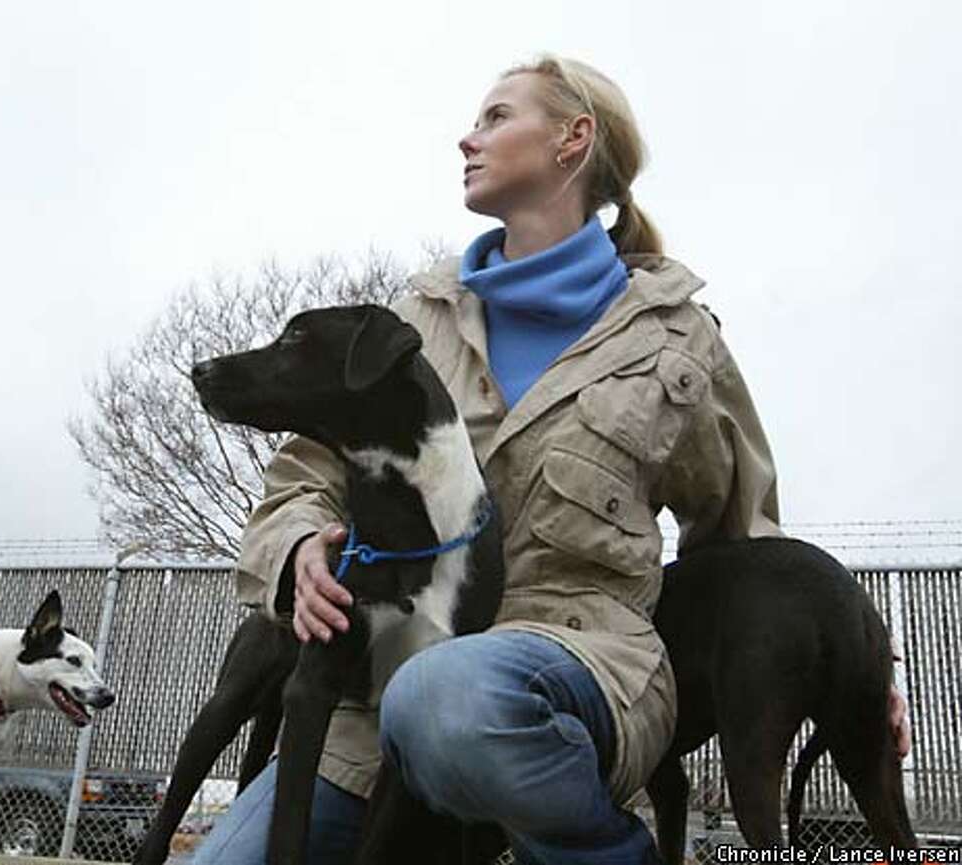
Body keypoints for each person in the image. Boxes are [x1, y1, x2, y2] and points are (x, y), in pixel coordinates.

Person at [190, 55, 910, 865]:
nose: (468, 136)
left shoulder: (675, 339)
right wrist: (296, 555)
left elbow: (745, 543)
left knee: (454, 697)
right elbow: (302, 482)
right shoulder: (407, 326)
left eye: (497, 116)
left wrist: (860, 671)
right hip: (374, 713)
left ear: (574, 139)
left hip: (584, 673)